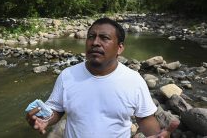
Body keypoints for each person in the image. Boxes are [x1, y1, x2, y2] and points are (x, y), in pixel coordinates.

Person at [26, 18, 179, 138]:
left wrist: (156, 135)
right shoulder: (68, 75)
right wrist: (44, 119)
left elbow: (145, 118)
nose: (95, 42)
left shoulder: (133, 80)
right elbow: (56, 110)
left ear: (120, 48)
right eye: (91, 37)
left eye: (104, 38)